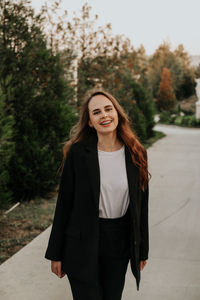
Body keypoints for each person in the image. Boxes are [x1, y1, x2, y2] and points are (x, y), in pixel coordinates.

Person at [45, 88, 150, 300]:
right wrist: (55, 253)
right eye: (96, 112)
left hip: (118, 241)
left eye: (108, 109)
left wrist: (142, 249)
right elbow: (64, 204)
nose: (104, 115)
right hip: (81, 243)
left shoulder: (136, 152)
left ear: (118, 114)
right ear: (90, 122)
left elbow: (141, 206)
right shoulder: (77, 153)